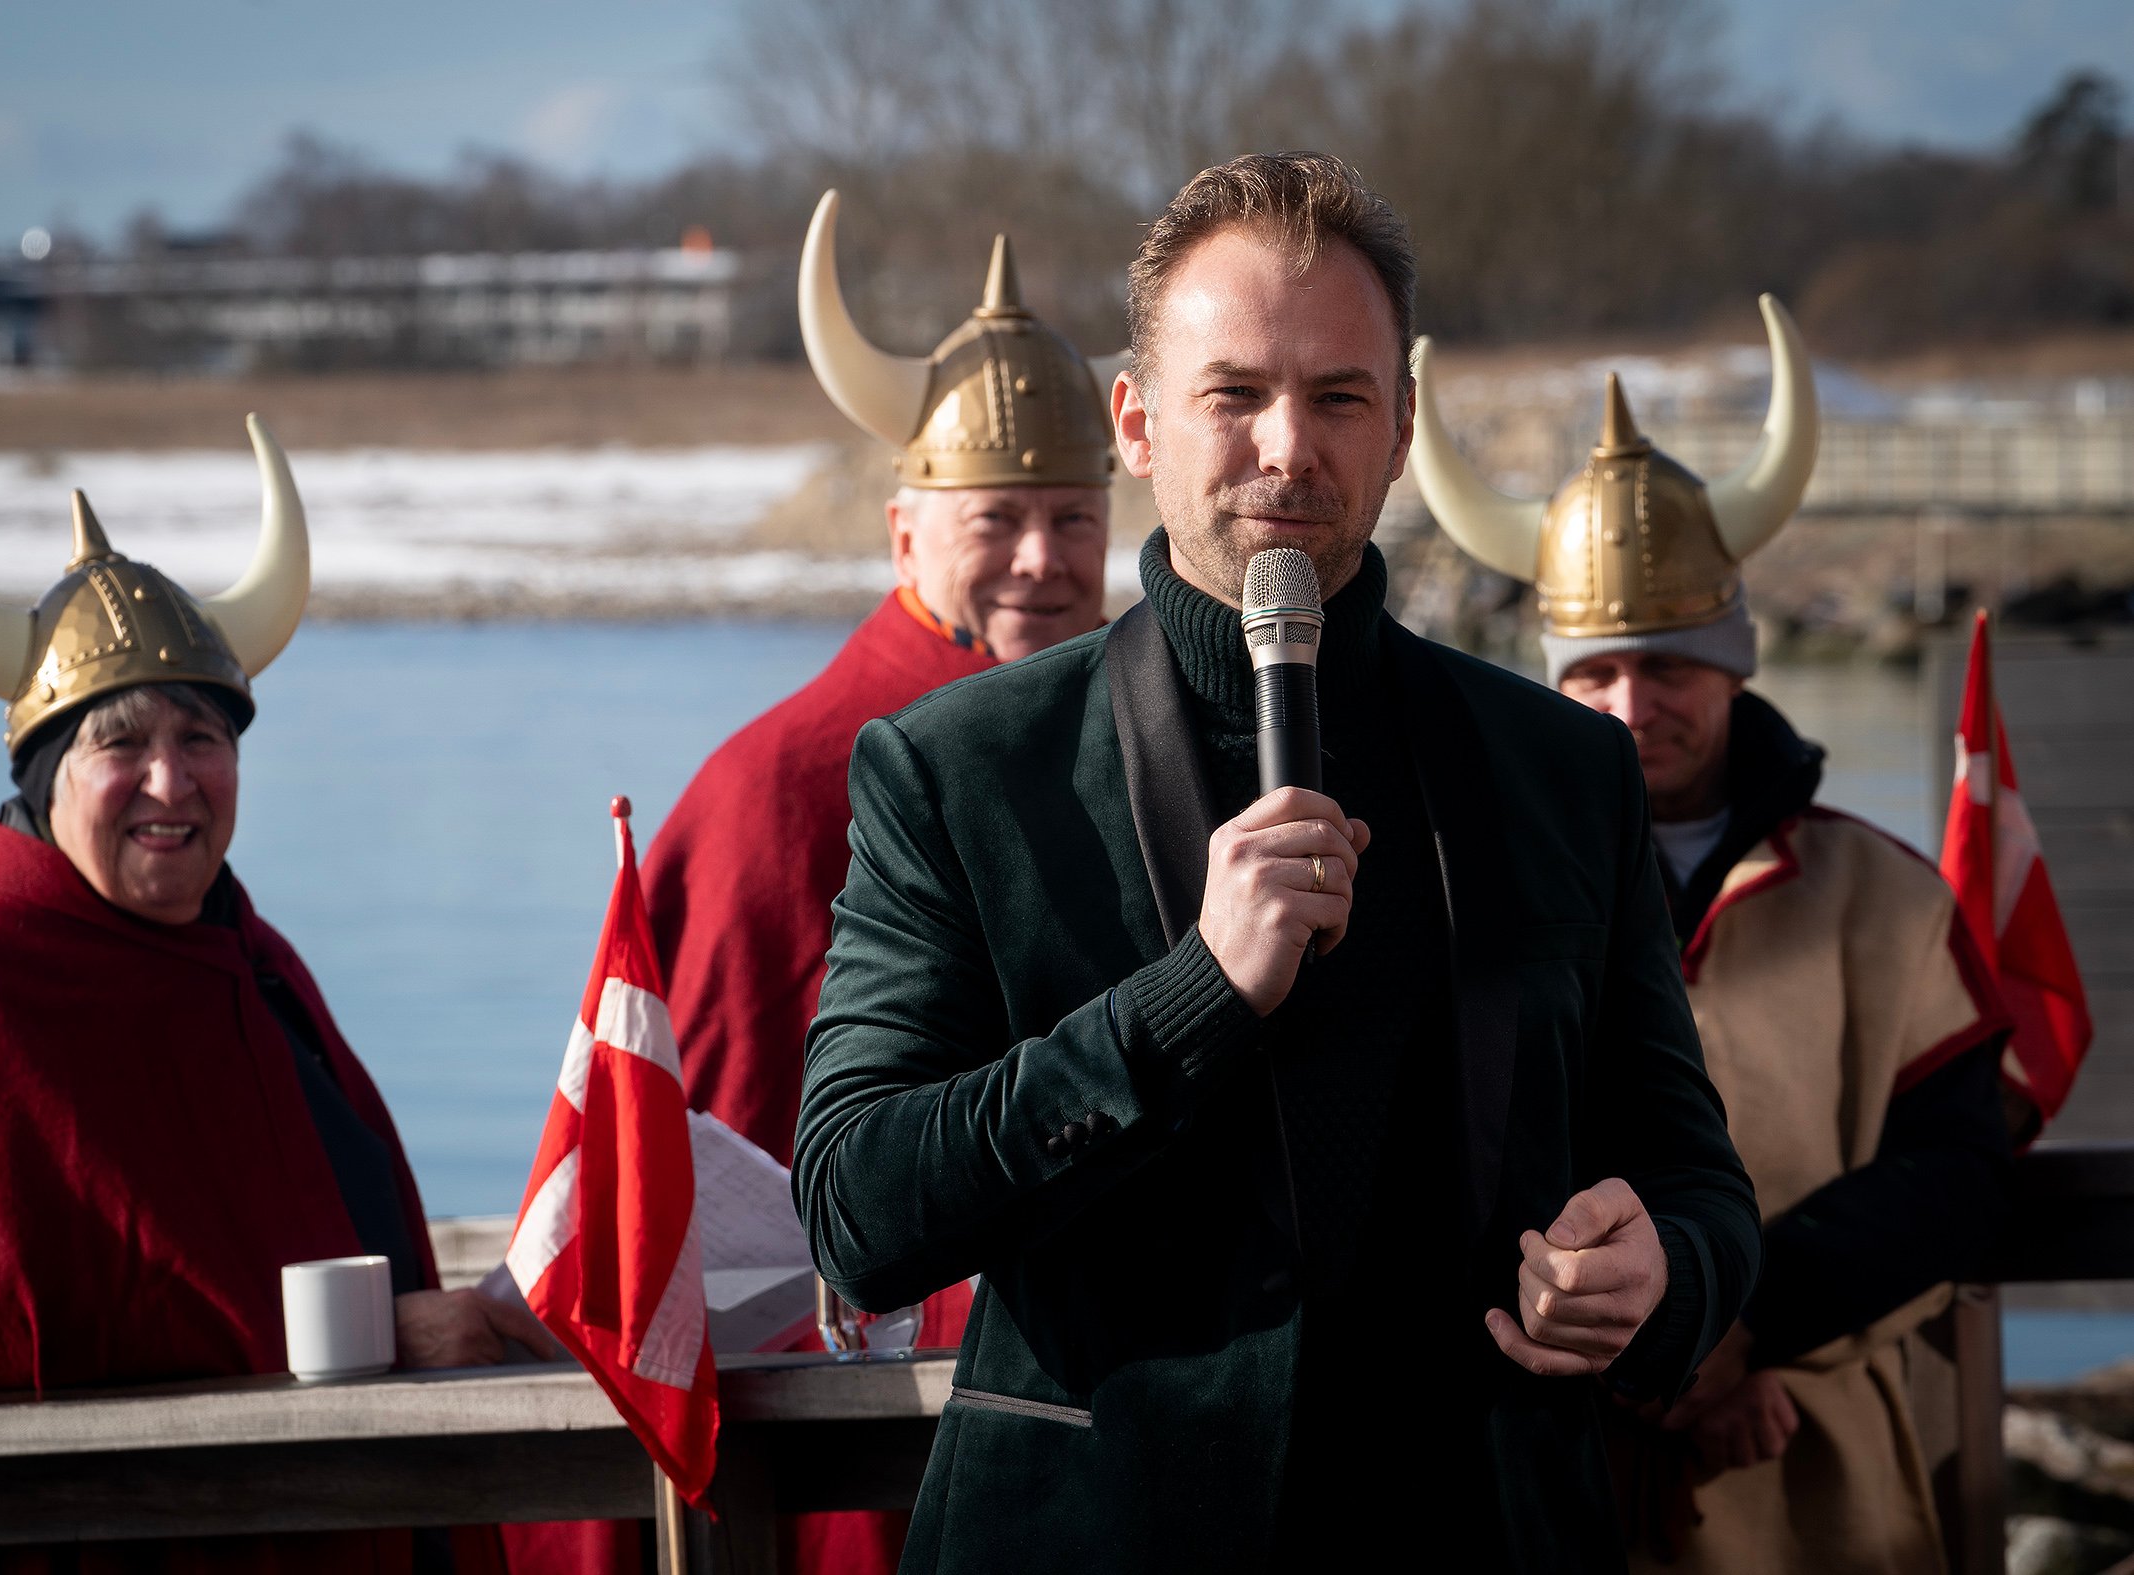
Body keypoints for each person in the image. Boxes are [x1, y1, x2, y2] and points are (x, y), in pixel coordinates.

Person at [793, 152, 1761, 1574]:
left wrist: (1663, 1272)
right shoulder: (958, 769)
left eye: (1338, 396)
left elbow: (1695, 1178)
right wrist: (1189, 992)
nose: (1286, 447)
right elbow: (859, 1208)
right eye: (1233, 393)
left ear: (1403, 425)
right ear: (1136, 421)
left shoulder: (1561, 767)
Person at [0, 419, 555, 1572]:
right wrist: (374, 1339)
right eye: (119, 743)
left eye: (202, 736)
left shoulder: (251, 952)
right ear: (48, 784)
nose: (170, 781)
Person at [519, 191, 1116, 1575]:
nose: (1042, 556)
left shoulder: (1120, 735)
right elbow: (708, 1162)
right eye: (998, 516)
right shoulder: (782, 784)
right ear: (904, 536)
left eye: (1073, 518)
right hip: (860, 1428)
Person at [1415, 302, 2015, 1573]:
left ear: (1737, 664)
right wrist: (1640, 1356)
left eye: (1672, 666)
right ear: (1551, 677)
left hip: (1804, 1460)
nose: (1633, 705)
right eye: (1597, 672)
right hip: (1534, 1456)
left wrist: (1736, 1326)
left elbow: (1954, 1173)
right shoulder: (1452, 887)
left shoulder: (1886, 899)